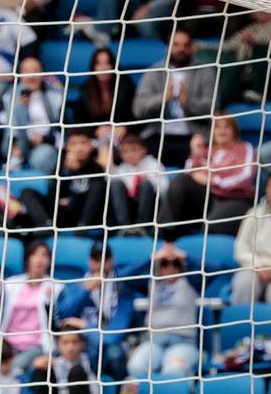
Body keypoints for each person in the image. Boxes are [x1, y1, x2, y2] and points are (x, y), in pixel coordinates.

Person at [158, 115, 256, 239]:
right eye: (218, 127)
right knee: (180, 181)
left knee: (212, 225)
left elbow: (245, 177)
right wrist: (195, 154)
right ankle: (165, 235)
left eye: (226, 127)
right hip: (210, 197)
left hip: (235, 198)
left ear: (234, 131)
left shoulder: (244, 148)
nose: (222, 131)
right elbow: (188, 172)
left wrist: (213, 181)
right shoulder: (207, 151)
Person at [132, 30, 217, 168]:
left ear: (192, 48)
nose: (181, 49)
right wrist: (164, 98)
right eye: (176, 45)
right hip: (157, 136)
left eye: (185, 45)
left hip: (192, 137)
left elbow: (213, 107)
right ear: (167, 47)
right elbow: (138, 110)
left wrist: (187, 102)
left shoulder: (204, 72)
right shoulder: (154, 72)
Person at [55, 243, 139, 380]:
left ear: (112, 260)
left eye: (104, 259)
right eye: (96, 259)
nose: (100, 264)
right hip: (83, 343)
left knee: (114, 354)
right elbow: (63, 315)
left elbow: (113, 337)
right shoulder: (78, 286)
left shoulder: (123, 288)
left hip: (111, 344)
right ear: (89, 261)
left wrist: (85, 326)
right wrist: (86, 290)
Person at [0, 129, 106, 233]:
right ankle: (46, 225)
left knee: (96, 189)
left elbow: (95, 200)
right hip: (58, 214)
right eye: (74, 144)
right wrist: (67, 172)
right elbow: (52, 194)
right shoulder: (61, 165)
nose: (79, 148)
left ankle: (83, 227)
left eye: (83, 143)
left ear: (91, 146)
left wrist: (72, 199)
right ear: (67, 147)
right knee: (27, 192)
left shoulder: (96, 169)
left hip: (81, 214)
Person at [126, 243, 201, 379]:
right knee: (135, 367)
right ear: (159, 267)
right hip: (153, 342)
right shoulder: (152, 284)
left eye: (175, 264)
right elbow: (126, 276)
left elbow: (215, 269)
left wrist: (184, 256)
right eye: (165, 264)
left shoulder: (191, 282)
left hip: (183, 341)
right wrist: (153, 258)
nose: (170, 267)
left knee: (173, 372)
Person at [0, 240, 58, 372]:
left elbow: (55, 323)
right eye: (35, 254)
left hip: (35, 345)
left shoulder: (56, 287)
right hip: (8, 344)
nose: (40, 259)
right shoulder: (10, 284)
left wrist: (50, 303)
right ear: (27, 259)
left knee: (14, 367)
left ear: (49, 261)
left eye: (44, 255)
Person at [0, 56, 63, 176]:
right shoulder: (10, 95)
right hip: (14, 144)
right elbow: (3, 122)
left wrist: (44, 138)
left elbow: (62, 131)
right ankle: (16, 155)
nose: (32, 76)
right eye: (27, 71)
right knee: (16, 107)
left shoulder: (54, 96)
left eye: (36, 71)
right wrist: (21, 108)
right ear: (20, 74)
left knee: (43, 156)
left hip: (43, 144)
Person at [27, 328, 99, 394]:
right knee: (42, 372)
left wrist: (86, 325)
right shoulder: (54, 363)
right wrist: (34, 367)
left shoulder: (92, 361)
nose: (70, 347)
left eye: (75, 342)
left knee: (77, 371)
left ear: (82, 343)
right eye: (65, 343)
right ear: (58, 345)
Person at [107, 133, 167, 233]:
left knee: (145, 185)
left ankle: (142, 227)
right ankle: (124, 226)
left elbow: (165, 191)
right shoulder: (121, 169)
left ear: (143, 150)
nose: (130, 155)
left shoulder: (154, 165)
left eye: (134, 150)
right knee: (115, 184)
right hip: (131, 208)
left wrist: (150, 180)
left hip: (151, 207)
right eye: (125, 152)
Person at [231, 174, 271, 304]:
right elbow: (241, 247)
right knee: (244, 283)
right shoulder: (253, 214)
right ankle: (241, 322)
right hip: (255, 268)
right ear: (267, 189)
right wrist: (257, 266)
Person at [73, 47, 136, 139]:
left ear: (113, 66)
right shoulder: (85, 90)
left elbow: (137, 115)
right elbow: (80, 121)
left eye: (107, 63)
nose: (104, 68)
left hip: (125, 137)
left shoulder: (126, 86)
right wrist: (95, 130)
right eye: (99, 63)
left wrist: (125, 127)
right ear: (93, 67)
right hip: (96, 138)